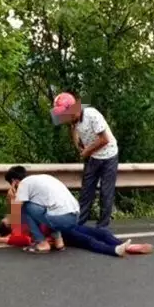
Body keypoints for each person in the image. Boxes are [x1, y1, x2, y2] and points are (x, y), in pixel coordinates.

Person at [51, 91, 119, 229]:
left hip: (108, 156)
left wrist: (87, 151)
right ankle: (78, 224)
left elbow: (104, 139)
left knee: (106, 193)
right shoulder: (74, 120)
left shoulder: (91, 114)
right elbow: (76, 136)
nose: (62, 118)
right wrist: (79, 146)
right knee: (86, 192)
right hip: (93, 157)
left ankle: (102, 227)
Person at [0, 216, 154, 258]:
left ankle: (127, 246)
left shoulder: (24, 216)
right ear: (8, 226)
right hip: (59, 233)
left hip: (63, 225)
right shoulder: (18, 231)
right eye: (8, 219)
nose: (10, 215)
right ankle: (114, 250)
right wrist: (0, 239)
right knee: (88, 241)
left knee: (101, 232)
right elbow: (23, 240)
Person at [5, 165, 79, 254]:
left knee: (26, 207)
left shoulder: (23, 184)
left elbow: (15, 216)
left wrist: (11, 198)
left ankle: (42, 243)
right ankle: (59, 242)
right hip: (75, 217)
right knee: (50, 209)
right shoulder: (42, 178)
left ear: (14, 181)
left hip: (62, 219)